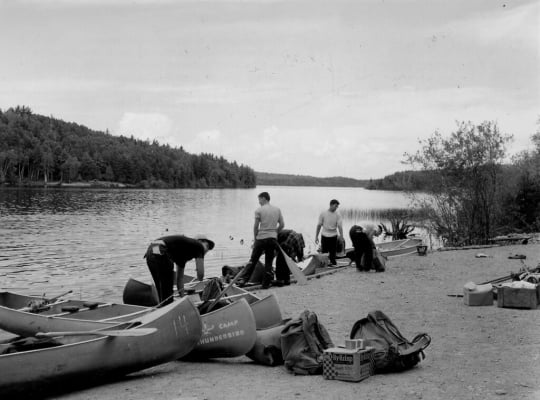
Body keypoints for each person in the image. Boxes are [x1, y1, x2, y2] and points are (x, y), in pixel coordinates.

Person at [144, 234, 214, 304]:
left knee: (161, 289)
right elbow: (200, 276)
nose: (207, 250)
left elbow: (179, 279)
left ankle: (162, 307)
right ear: (200, 241)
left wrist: (183, 298)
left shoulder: (181, 256)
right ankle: (168, 307)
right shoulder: (199, 246)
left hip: (152, 250)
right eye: (207, 246)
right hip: (160, 249)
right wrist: (199, 268)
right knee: (167, 291)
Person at [237, 192, 284, 289]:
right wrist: (275, 233)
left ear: (264, 198)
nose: (259, 202)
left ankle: (243, 280)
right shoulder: (277, 210)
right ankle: (265, 284)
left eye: (259, 199)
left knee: (253, 260)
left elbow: (255, 227)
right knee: (269, 261)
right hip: (272, 239)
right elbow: (282, 225)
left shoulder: (259, 210)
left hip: (261, 238)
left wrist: (255, 239)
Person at [315, 199, 344, 266]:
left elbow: (340, 226)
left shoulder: (338, 214)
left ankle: (333, 263)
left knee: (333, 252)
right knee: (324, 252)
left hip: (333, 235)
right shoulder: (323, 213)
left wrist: (341, 236)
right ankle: (324, 264)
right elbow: (319, 225)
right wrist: (316, 236)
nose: (336, 208)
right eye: (335, 206)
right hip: (324, 235)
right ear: (331, 205)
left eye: (337, 207)